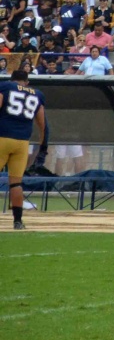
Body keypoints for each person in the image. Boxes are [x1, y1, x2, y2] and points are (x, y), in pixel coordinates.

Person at [0, 63, 46, 230]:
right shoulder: (37, 94)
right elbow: (42, 124)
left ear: (12, 79)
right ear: (26, 82)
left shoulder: (5, 87)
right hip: (22, 143)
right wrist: (43, 145)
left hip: (3, 137)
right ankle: (18, 221)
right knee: (16, 183)